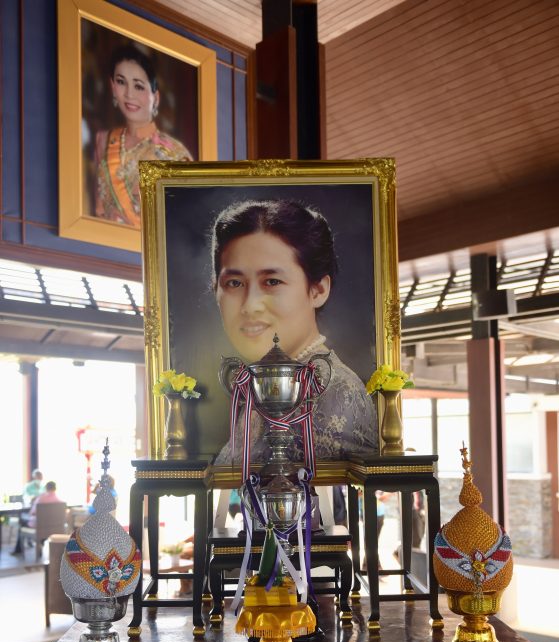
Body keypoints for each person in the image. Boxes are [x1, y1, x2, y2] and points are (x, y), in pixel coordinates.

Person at [211, 199, 377, 464]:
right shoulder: (265, 383)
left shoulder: (333, 393)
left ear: (318, 290)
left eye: (272, 281)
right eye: (234, 283)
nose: (250, 305)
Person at [95, 43, 192, 227]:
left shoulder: (175, 154)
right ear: (113, 87)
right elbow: (97, 211)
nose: (129, 94)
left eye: (138, 86)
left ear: (156, 98)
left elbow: (184, 220)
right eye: (121, 82)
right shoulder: (103, 141)